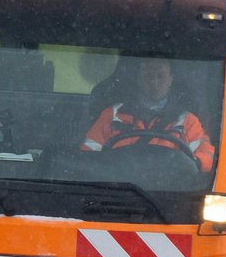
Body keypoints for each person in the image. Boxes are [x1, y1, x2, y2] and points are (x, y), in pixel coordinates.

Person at [80, 56, 216, 173]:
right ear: (138, 79)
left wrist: (193, 163)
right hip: (118, 186)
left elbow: (206, 156)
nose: (154, 82)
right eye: (148, 76)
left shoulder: (187, 120)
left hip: (169, 188)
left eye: (160, 76)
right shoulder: (112, 115)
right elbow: (88, 155)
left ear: (171, 79)